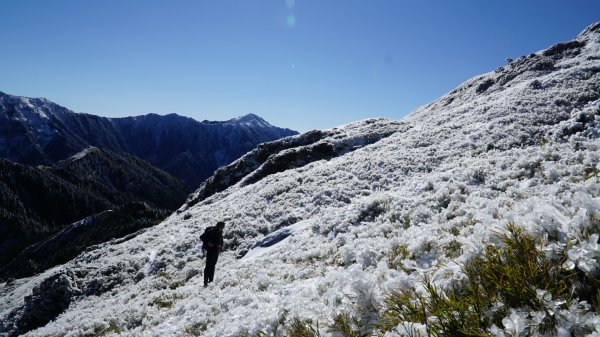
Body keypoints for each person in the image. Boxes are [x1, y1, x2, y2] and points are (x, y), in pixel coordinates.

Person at [200, 221, 225, 287]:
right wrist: (208, 242)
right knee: (208, 266)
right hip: (210, 251)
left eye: (222, 227)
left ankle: (211, 281)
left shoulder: (219, 232)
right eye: (221, 227)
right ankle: (205, 283)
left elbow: (221, 240)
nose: (222, 228)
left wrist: (221, 245)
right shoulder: (211, 231)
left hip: (216, 251)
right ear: (218, 226)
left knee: (213, 266)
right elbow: (202, 237)